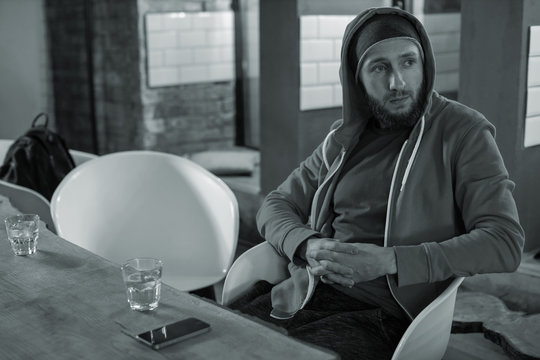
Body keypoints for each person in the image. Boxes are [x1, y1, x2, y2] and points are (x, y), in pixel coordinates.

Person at [229, 7, 525, 360]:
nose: (397, 82)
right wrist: (306, 245)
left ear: (424, 64)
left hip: (385, 317)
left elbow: (504, 242)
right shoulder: (344, 140)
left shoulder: (463, 133)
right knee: (215, 340)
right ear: (357, 79)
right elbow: (275, 204)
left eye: (408, 62)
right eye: (379, 67)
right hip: (306, 290)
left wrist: (390, 260)